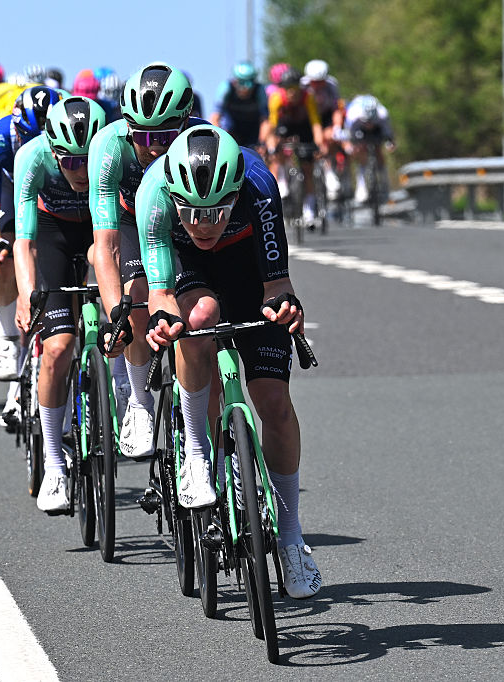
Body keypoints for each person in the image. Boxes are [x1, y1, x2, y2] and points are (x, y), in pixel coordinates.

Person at [136, 123, 322, 599]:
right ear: (175, 197)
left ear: (235, 191)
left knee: (274, 403)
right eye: (192, 212)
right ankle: (196, 455)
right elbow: (159, 292)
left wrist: (286, 305)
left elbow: (277, 282)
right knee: (198, 318)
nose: (202, 223)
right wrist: (163, 321)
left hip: (246, 266)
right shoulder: (155, 192)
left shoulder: (258, 183)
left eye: (216, 211)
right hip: (188, 269)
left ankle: (292, 539)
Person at [88, 61, 208, 461]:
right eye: (143, 134)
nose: (155, 145)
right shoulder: (109, 147)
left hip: (181, 225)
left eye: (166, 134)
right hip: (127, 222)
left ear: (186, 121)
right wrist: (115, 313)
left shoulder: (202, 142)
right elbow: (105, 245)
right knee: (137, 295)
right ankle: (139, 399)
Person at [13, 96, 107, 512]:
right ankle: (54, 462)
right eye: (69, 162)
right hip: (51, 230)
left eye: (87, 160)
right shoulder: (31, 158)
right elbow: (25, 241)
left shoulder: (111, 155)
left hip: (98, 226)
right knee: (58, 346)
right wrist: (25, 293)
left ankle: (120, 387)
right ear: (52, 150)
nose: (81, 172)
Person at [0, 86, 63, 427]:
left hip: (60, 195)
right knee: (8, 252)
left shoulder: (77, 133)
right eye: (30, 137)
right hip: (17, 193)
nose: (39, 147)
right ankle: (9, 339)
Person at [260, 66, 325, 223]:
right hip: (285, 126)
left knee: (308, 169)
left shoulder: (308, 97)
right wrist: (271, 146)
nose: (293, 92)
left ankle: (309, 209)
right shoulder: (276, 98)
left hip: (304, 127)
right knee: (276, 148)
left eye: (296, 88)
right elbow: (273, 124)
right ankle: (281, 177)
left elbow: (315, 123)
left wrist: (319, 143)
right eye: (289, 88)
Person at [301, 59, 345, 197]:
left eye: (321, 81)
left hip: (325, 115)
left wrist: (337, 127)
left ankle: (329, 170)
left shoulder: (332, 85)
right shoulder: (302, 86)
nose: (318, 85)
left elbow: (336, 108)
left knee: (330, 136)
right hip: (308, 118)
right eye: (315, 82)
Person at [340, 94, 396, 204]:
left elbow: (388, 134)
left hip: (377, 129)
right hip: (358, 129)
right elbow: (349, 136)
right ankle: (362, 186)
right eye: (367, 122)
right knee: (360, 151)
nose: (369, 124)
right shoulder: (353, 115)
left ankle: (384, 182)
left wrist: (390, 143)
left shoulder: (382, 114)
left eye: (371, 122)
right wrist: (351, 146)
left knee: (378, 150)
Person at [209, 61, 268, 148]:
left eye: (250, 83)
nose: (246, 88)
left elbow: (265, 120)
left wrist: (262, 143)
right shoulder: (225, 89)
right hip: (231, 129)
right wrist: (219, 140)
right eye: (242, 83)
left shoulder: (259, 91)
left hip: (253, 130)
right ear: (235, 81)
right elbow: (215, 118)